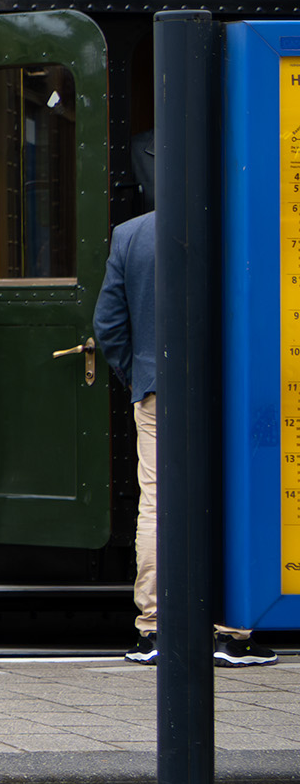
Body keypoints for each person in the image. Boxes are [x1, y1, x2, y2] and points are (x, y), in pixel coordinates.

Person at [96, 190, 263, 667]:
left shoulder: (129, 234)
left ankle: (154, 630)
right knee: (233, 500)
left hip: (159, 390)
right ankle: (231, 633)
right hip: (233, 392)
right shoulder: (239, 227)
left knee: (158, 502)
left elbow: (108, 324)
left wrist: (140, 376)